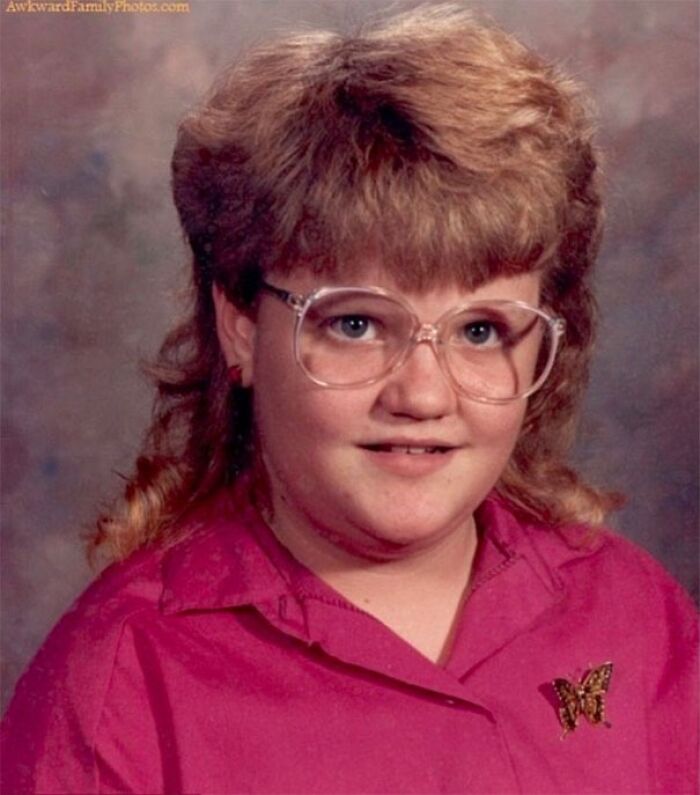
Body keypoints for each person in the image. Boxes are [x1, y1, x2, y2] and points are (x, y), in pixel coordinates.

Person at [1, 5, 697, 794]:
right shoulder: (117, 684)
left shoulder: (633, 612)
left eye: (480, 330)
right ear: (239, 329)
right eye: (357, 323)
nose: (423, 394)